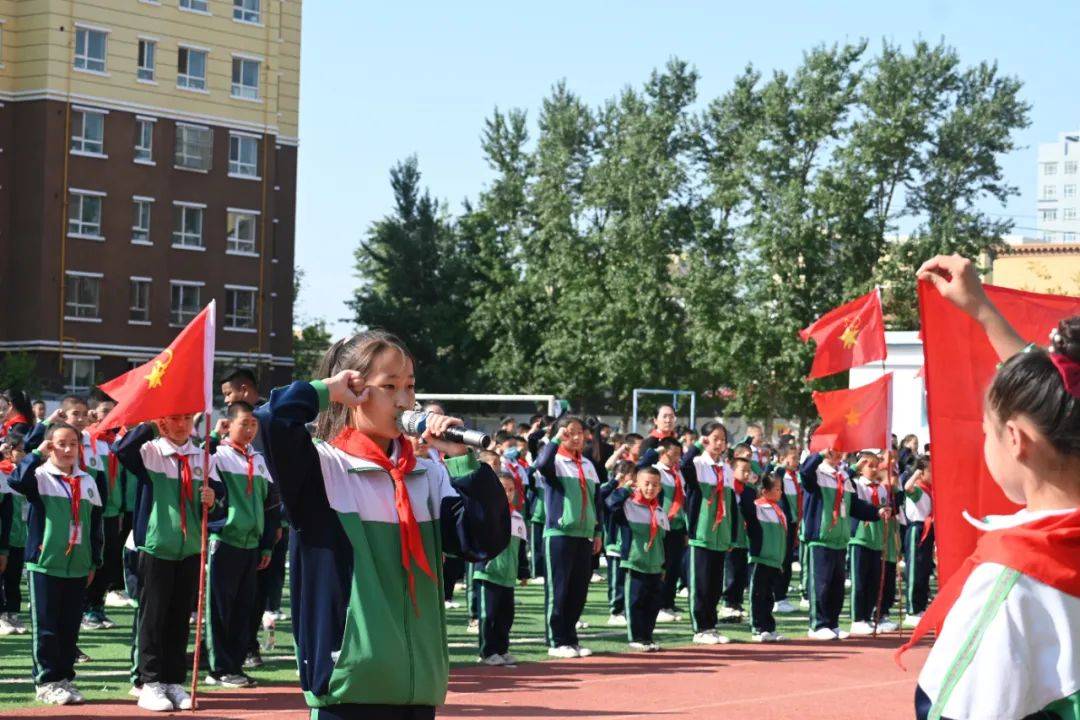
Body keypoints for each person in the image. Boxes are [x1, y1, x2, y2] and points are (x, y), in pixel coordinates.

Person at [255, 330, 508, 719]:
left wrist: (461, 461)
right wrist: (325, 390)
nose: (405, 400)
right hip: (350, 687)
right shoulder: (324, 468)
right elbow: (274, 419)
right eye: (389, 386)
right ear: (353, 391)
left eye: (410, 386)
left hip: (416, 687)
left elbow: (483, 541)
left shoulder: (428, 473)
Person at [896, 254, 1080, 719]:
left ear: (1015, 440)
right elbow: (1059, 393)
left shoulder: (1013, 585)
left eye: (986, 429)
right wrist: (982, 311)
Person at [114, 414, 223, 712]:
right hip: (156, 546)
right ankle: (149, 683)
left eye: (186, 418)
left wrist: (213, 497)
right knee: (153, 617)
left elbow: (219, 495)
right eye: (173, 419)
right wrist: (147, 424)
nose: (181, 425)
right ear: (162, 423)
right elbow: (121, 450)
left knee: (179, 618)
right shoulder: (151, 452)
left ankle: (174, 680)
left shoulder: (202, 455)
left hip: (189, 549)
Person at [9, 422, 103, 706]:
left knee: (69, 626)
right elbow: (16, 480)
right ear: (50, 447)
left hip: (78, 565)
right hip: (45, 563)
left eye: (73, 444)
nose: (67, 449)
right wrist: (36, 453)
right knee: (47, 627)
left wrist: (93, 561)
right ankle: (46, 681)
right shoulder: (39, 475)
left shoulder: (87, 480)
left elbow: (95, 525)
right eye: (60, 443)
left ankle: (64, 679)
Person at [205, 402, 277, 688]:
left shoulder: (257, 459)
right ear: (228, 424)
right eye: (243, 423)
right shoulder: (218, 456)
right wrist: (212, 436)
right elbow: (196, 462)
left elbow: (271, 504)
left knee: (243, 608)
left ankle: (235, 665)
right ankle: (219, 669)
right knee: (221, 608)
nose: (249, 430)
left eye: (253, 425)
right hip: (224, 542)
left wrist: (267, 545)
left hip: (252, 545)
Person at [799, 448, 891, 640]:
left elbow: (854, 505)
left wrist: (877, 512)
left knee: (836, 587)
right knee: (821, 584)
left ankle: (832, 623)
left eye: (840, 450)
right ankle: (818, 625)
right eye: (833, 450)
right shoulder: (817, 473)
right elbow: (805, 472)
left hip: (840, 540)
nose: (837, 453)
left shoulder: (842, 477)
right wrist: (819, 454)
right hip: (821, 538)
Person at [535, 416, 605, 659]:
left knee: (578, 590)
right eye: (569, 432)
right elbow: (540, 464)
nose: (576, 437)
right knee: (559, 589)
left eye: (580, 432)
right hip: (560, 533)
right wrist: (555, 439)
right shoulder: (555, 460)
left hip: (584, 535)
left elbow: (597, 501)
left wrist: (597, 532)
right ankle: (556, 640)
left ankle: (570, 638)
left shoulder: (587, 464)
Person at [680, 421, 733, 645]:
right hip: (701, 533)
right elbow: (683, 467)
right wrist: (696, 447)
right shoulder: (698, 463)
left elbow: (732, 504)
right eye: (715, 438)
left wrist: (732, 533)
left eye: (723, 439)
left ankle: (711, 625)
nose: (719, 443)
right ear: (706, 440)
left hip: (720, 534)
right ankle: (700, 627)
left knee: (714, 583)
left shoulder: (726, 468)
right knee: (700, 583)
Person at [605, 465, 668, 652]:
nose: (650, 488)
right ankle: (636, 637)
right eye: (646, 484)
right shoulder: (628, 505)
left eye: (655, 485)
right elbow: (609, 504)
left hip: (655, 565)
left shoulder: (658, 509)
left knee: (653, 603)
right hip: (635, 562)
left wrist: (663, 565)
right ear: (637, 484)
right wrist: (625, 488)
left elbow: (661, 540)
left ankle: (647, 637)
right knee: (635, 601)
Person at [474, 472, 528, 666]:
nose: (507, 493)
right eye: (503, 488)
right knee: (488, 615)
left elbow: (521, 549)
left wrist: (522, 572)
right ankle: (486, 652)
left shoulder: (518, 518)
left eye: (511, 489)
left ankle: (502, 649)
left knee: (506, 616)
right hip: (489, 573)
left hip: (508, 576)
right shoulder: (486, 513)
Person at [737, 459, 789, 642]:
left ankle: (769, 627)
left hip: (774, 560)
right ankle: (758, 627)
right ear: (764, 491)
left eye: (781, 488)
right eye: (776, 489)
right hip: (760, 559)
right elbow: (745, 505)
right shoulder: (758, 507)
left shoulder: (779, 510)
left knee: (768, 596)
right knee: (757, 594)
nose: (780, 492)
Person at [847, 452, 891, 635]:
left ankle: (869, 616)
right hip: (860, 537)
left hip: (877, 539)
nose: (873, 469)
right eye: (869, 465)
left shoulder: (881, 488)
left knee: (874, 581)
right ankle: (858, 618)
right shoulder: (856, 485)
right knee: (860, 580)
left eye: (876, 466)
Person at [653, 437, 687, 622]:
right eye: (674, 454)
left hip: (678, 526)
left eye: (678, 455)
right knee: (662, 566)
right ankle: (658, 605)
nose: (677, 458)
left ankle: (668, 603)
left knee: (674, 566)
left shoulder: (678, 473)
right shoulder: (656, 471)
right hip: (661, 526)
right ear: (664, 452)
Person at [720, 443, 754, 619]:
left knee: (741, 571)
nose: (747, 474)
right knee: (730, 571)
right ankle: (727, 602)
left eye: (749, 471)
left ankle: (737, 602)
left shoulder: (748, 491)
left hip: (744, 539)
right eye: (743, 471)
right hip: (730, 539)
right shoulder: (728, 490)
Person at [599, 460, 633, 627]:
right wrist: (623, 487)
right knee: (616, 581)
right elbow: (611, 504)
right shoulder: (612, 492)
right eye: (629, 476)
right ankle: (615, 610)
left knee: (629, 580)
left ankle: (626, 609)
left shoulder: (633, 492)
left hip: (631, 546)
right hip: (615, 545)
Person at [0, 438, 29, 635]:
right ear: (10, 451)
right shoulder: (4, 473)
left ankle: (13, 612)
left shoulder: (29, 475)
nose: (23, 454)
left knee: (14, 577)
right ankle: (3, 615)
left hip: (20, 537)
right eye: (20, 450)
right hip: (5, 536)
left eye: (26, 451)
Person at [902, 455, 935, 626]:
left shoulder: (931, 490)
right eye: (930, 470)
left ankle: (921, 606)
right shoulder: (918, 488)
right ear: (921, 472)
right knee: (915, 570)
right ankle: (912, 609)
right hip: (917, 529)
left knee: (924, 570)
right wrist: (916, 474)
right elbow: (907, 487)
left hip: (928, 530)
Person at [773, 444, 802, 613]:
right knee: (781, 560)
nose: (797, 461)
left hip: (793, 523)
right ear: (782, 459)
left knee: (788, 559)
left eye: (798, 457)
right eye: (794, 458)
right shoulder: (779, 475)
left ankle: (782, 595)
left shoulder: (794, 477)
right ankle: (777, 596)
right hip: (781, 523)